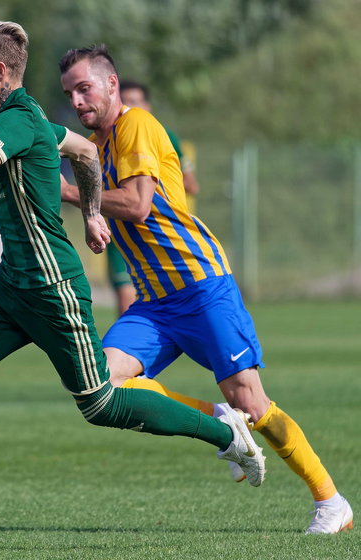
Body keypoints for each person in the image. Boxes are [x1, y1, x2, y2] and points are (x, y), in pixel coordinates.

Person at [0, 22, 266, 546]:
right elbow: (84, 153)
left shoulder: (17, 120)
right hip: (12, 283)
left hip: (53, 287)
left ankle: (227, 432)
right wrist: (90, 213)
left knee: (101, 405)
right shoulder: (32, 117)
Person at [58, 44, 352, 534]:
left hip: (201, 286)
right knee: (102, 384)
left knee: (253, 404)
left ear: (112, 84)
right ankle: (222, 425)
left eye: (84, 87)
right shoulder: (97, 144)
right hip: (155, 302)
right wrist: (89, 216)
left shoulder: (136, 125)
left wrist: (65, 193)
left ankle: (331, 501)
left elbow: (137, 205)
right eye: (69, 93)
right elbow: (106, 205)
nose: (77, 100)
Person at [119, 80, 200, 212]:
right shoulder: (111, 139)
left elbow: (192, 186)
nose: (128, 108)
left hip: (166, 221)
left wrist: (146, 186)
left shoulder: (167, 137)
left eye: (134, 102)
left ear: (147, 106)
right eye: (123, 102)